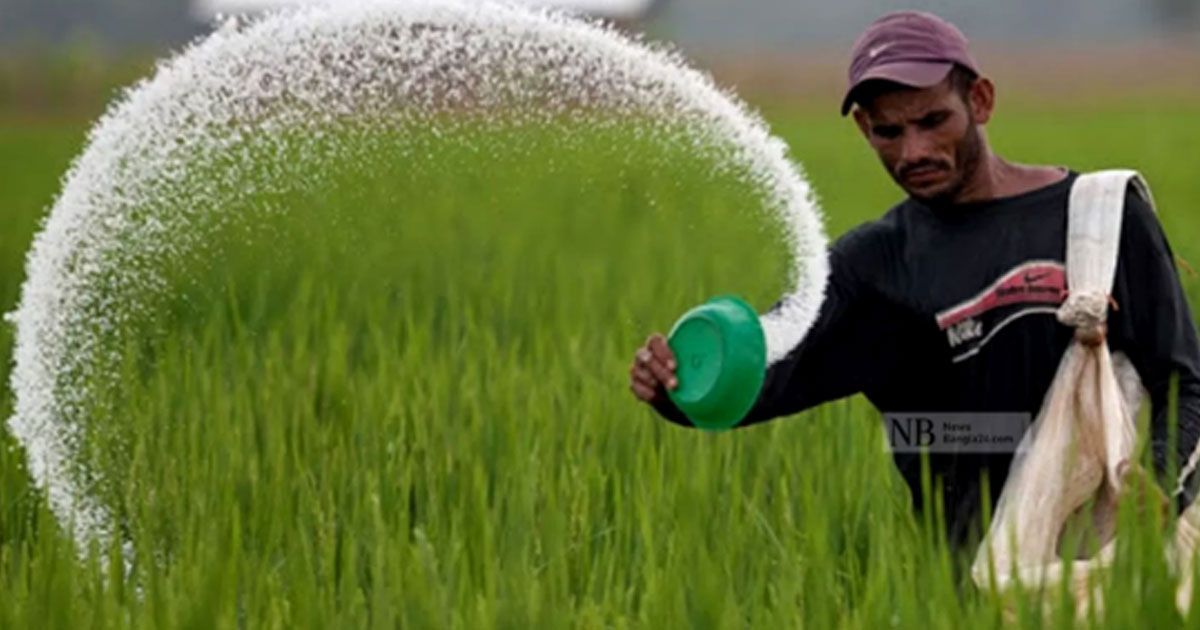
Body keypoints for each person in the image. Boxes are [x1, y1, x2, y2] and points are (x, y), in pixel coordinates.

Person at [628, 10, 1200, 546]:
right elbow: (766, 370)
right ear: (863, 129)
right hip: (975, 586)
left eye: (933, 121)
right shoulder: (873, 267)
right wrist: (676, 386)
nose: (914, 151)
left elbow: (1184, 382)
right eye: (888, 132)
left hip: (1116, 556)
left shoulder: (1099, 216)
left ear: (979, 100)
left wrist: (1158, 488)